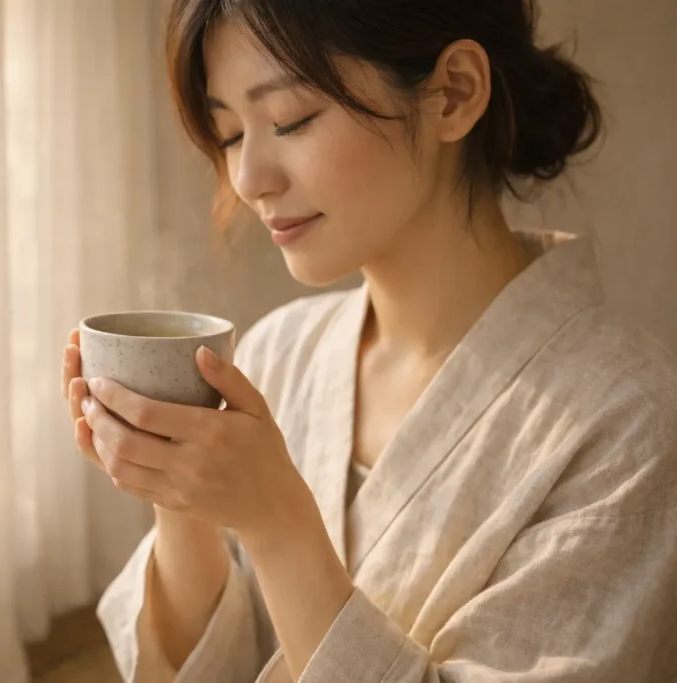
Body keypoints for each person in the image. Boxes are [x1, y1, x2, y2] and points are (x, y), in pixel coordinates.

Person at [60, 1, 677, 681]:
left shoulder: (632, 422)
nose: (248, 178)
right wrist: (178, 489)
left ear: (454, 92)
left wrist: (277, 523)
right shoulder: (277, 354)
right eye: (231, 133)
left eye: (291, 119)